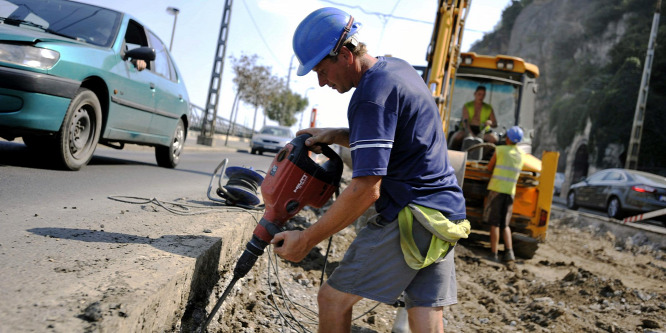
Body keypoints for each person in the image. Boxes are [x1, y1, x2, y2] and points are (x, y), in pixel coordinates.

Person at [271, 7, 469, 333]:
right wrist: (334, 135)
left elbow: (366, 190)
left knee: (332, 301)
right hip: (445, 213)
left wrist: (306, 239)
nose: (321, 82)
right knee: (425, 314)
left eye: (322, 70)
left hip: (412, 216)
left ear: (346, 54)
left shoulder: (369, 97)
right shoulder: (397, 69)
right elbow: (397, 140)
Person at [483, 126, 525, 263]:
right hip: (510, 192)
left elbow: (489, 168)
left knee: (494, 224)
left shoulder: (500, 150)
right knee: (505, 225)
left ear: (507, 138)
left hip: (496, 190)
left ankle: (494, 254)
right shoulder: (522, 155)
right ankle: (509, 253)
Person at [448, 85, 498, 150]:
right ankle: (453, 152)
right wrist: (471, 135)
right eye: (479, 94)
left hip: (482, 131)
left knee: (494, 139)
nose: (481, 97)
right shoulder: (467, 106)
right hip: (467, 129)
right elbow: (465, 122)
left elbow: (495, 123)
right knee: (457, 136)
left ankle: (482, 156)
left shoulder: (488, 108)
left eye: (483, 95)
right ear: (475, 94)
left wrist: (490, 123)